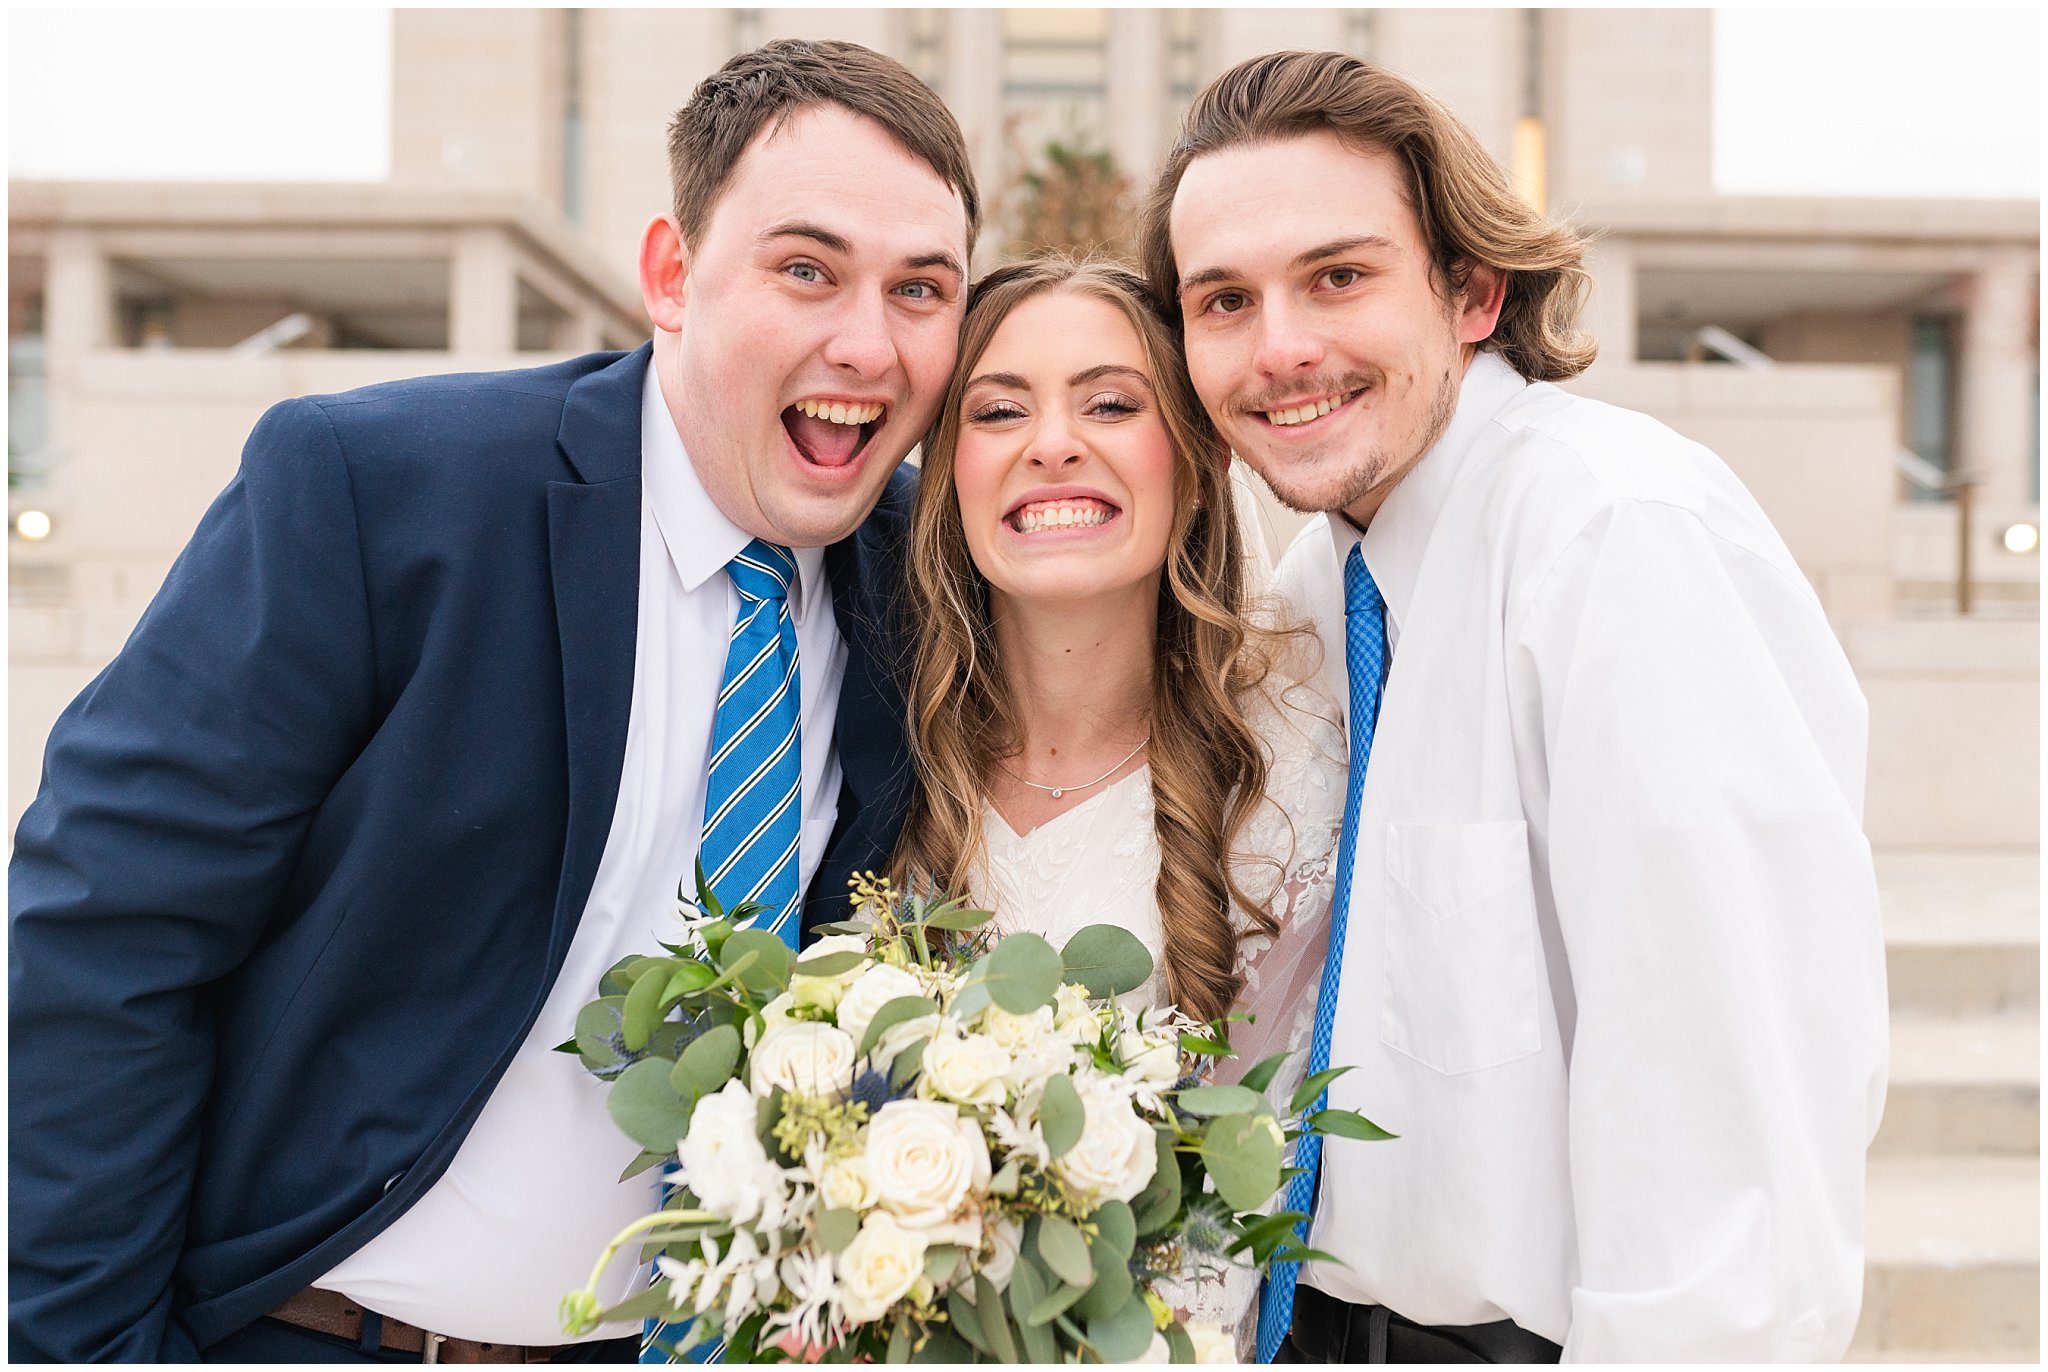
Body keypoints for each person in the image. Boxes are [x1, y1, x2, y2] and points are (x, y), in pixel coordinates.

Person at [9, 40, 976, 1364]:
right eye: (806, 269)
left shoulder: (927, 580)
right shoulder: (379, 490)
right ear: (674, 277)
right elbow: (103, 933)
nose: (866, 341)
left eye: (921, 288)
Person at [1140, 50, 1888, 1363]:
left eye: (1340, 276)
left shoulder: (1615, 538)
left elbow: (1730, 1099)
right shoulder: (1327, 581)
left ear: (1472, 290)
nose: (1283, 348)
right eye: (1223, 301)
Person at [892, 255, 1348, 1349]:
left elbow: (1259, 1192)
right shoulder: (874, 753)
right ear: (950, 473)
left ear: (1192, 464)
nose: (1052, 442)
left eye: (1109, 403)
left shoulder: (1290, 773)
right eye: (998, 411)